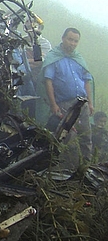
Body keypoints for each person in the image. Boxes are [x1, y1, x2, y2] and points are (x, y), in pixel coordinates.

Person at [42, 27, 94, 166]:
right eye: (70, 39)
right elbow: (48, 81)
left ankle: (85, 169)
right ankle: (67, 171)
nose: (72, 43)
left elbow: (87, 80)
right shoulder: (54, 57)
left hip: (82, 104)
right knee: (68, 138)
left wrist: (90, 103)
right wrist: (53, 105)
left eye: (75, 41)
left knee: (86, 137)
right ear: (63, 38)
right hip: (65, 105)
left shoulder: (78, 59)